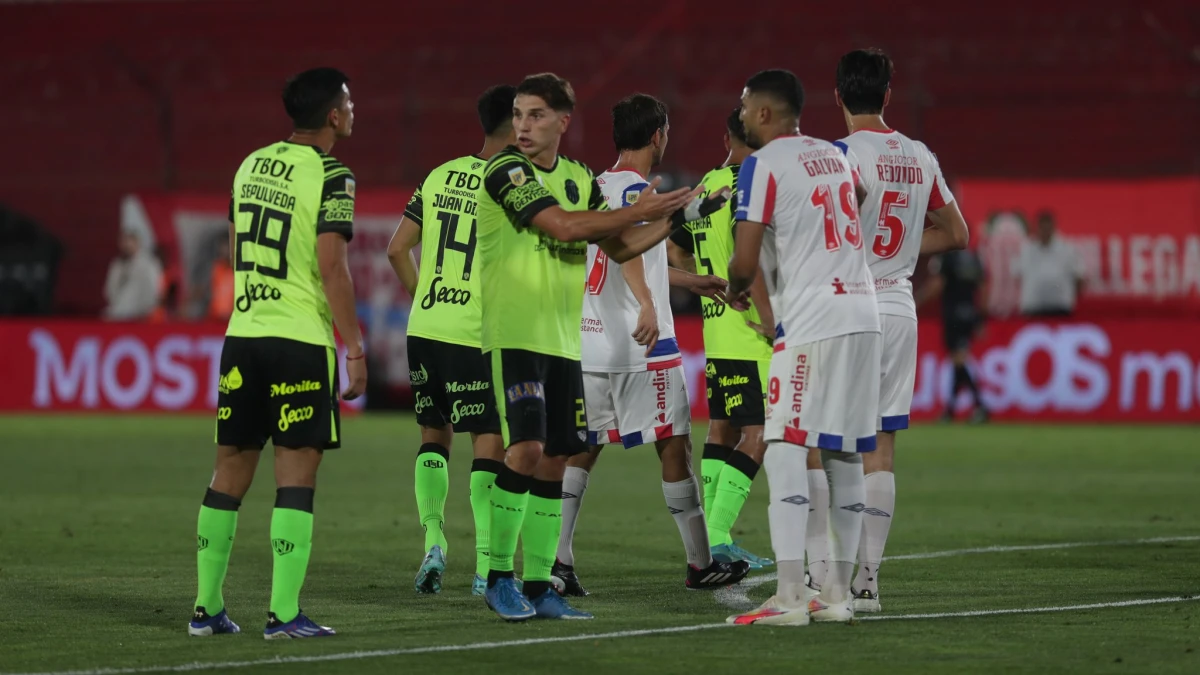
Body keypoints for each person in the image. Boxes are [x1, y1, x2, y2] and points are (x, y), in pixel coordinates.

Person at [475, 72, 723, 622]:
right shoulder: (506, 171)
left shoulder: (579, 178)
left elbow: (618, 246)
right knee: (526, 452)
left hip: (567, 340)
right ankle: (497, 576)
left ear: (564, 121)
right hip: (516, 335)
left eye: (535, 115)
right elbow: (564, 229)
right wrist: (642, 207)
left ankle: (541, 584)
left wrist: (677, 217)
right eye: (517, 114)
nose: (522, 126)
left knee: (560, 456)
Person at [189, 67, 366, 640]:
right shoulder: (333, 174)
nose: (352, 108)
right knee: (295, 475)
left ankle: (206, 608)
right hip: (297, 341)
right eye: (348, 101)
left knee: (228, 474)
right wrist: (355, 347)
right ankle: (283, 614)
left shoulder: (250, 164)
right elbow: (332, 266)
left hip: (243, 336)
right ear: (333, 115)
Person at [552, 94, 749, 596]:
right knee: (675, 446)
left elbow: (622, 254)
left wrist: (686, 280)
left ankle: (559, 560)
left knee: (584, 449)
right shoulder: (641, 191)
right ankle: (700, 563)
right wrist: (647, 303)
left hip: (589, 342)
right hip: (642, 346)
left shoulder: (594, 185)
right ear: (658, 133)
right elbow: (630, 254)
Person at [723, 69, 881, 626]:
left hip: (811, 321)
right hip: (864, 313)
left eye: (744, 106)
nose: (740, 114)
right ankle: (835, 595)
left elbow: (743, 263)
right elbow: (861, 197)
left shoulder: (760, 164)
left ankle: (791, 596)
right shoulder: (837, 154)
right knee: (844, 452)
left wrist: (737, 288)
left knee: (787, 447)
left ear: (764, 114)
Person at [823, 48, 969, 613]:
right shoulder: (919, 154)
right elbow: (957, 233)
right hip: (899, 308)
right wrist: (906, 251)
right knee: (881, 448)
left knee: (829, 444)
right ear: (888, 95)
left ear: (836, 96)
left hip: (849, 308)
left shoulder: (837, 156)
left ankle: (820, 577)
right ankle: (868, 582)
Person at [386, 84, 516, 596]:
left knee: (432, 436)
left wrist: (424, 299)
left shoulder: (439, 175)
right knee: (490, 440)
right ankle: (486, 567)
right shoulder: (510, 181)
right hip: (474, 333)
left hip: (426, 327)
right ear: (516, 123)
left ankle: (434, 541)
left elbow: (398, 249)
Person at [667, 107, 776, 570]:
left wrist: (701, 282)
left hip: (717, 326)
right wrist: (769, 319)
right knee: (760, 431)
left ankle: (719, 536)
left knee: (722, 430)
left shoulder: (707, 183)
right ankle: (716, 535)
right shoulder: (750, 184)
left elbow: (675, 244)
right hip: (750, 330)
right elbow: (744, 260)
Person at [919, 247, 989, 423]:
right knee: (959, 361)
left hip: (953, 314)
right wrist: (980, 317)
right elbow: (983, 288)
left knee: (959, 361)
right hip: (969, 313)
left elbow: (938, 284)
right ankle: (950, 410)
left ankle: (980, 406)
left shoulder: (946, 258)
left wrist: (917, 299)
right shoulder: (973, 258)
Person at [1013, 211, 1084, 317]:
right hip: (1033, 307)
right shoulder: (1025, 250)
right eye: (1042, 228)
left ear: (1053, 228)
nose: (1045, 231)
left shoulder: (1067, 249)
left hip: (1060, 307)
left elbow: (1079, 278)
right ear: (1036, 228)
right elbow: (1016, 275)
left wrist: (1069, 296)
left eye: (1048, 228)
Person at [102, 230, 163, 321]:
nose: (126, 245)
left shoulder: (149, 264)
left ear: (137, 242)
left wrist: (145, 310)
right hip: (119, 313)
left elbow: (155, 289)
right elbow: (110, 289)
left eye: (128, 241)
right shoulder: (117, 265)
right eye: (123, 242)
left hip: (141, 315)